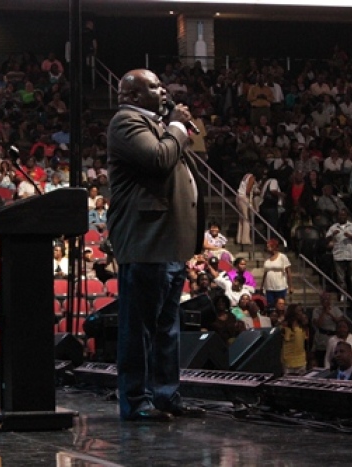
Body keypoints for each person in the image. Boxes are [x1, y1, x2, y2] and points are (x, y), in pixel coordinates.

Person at [107, 69, 205, 422]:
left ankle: (165, 396)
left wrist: (177, 129)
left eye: (162, 85)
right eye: (154, 86)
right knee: (140, 329)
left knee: (167, 328)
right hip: (147, 241)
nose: (163, 90)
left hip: (170, 242)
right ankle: (135, 401)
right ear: (132, 95)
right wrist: (177, 127)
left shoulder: (160, 126)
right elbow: (159, 159)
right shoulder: (126, 122)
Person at [325, 209, 352, 300]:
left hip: (351, 254)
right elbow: (326, 240)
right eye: (340, 215)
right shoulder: (334, 227)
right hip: (338, 255)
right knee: (341, 278)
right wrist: (332, 235)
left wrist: (350, 236)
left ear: (347, 216)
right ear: (337, 216)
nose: (342, 217)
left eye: (343, 215)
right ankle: (342, 295)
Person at [260, 239, 293, 306]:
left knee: (280, 305)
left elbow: (288, 272)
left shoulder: (282, 257)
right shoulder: (267, 258)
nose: (267, 248)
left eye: (268, 246)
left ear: (274, 247)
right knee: (270, 306)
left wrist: (291, 286)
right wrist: (261, 286)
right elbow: (265, 273)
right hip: (269, 287)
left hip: (280, 287)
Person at [281, 303, 309, 375]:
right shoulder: (286, 326)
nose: (301, 313)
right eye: (299, 311)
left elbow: (306, 340)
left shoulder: (302, 326)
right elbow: (285, 339)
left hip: (301, 361)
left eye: (301, 311)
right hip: (289, 361)